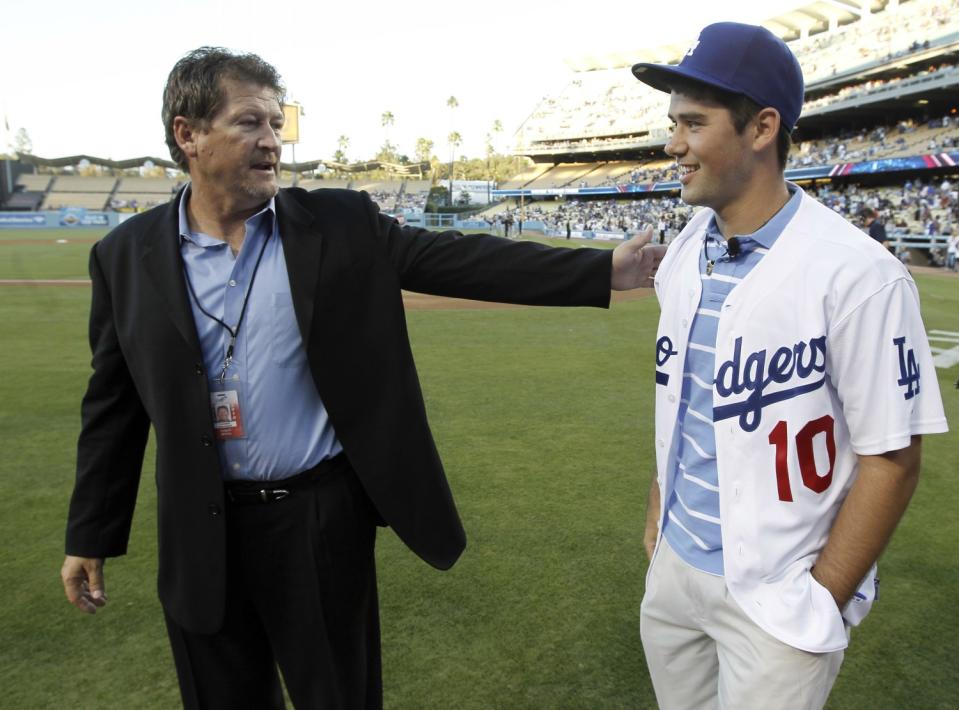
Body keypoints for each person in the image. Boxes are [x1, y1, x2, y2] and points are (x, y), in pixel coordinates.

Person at [59, 47, 663, 710]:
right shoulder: (123, 256)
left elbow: (455, 261)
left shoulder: (336, 224)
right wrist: (90, 534)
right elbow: (112, 410)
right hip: (198, 533)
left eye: (274, 125)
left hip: (317, 520)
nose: (271, 141)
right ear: (188, 134)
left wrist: (598, 273)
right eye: (249, 123)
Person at [632, 22, 947, 709]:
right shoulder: (686, 251)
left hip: (780, 597)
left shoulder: (860, 272)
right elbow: (681, 400)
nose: (672, 144)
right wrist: (660, 512)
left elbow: (891, 458)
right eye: (672, 123)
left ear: (761, 127)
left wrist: (822, 597)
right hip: (676, 572)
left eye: (692, 122)